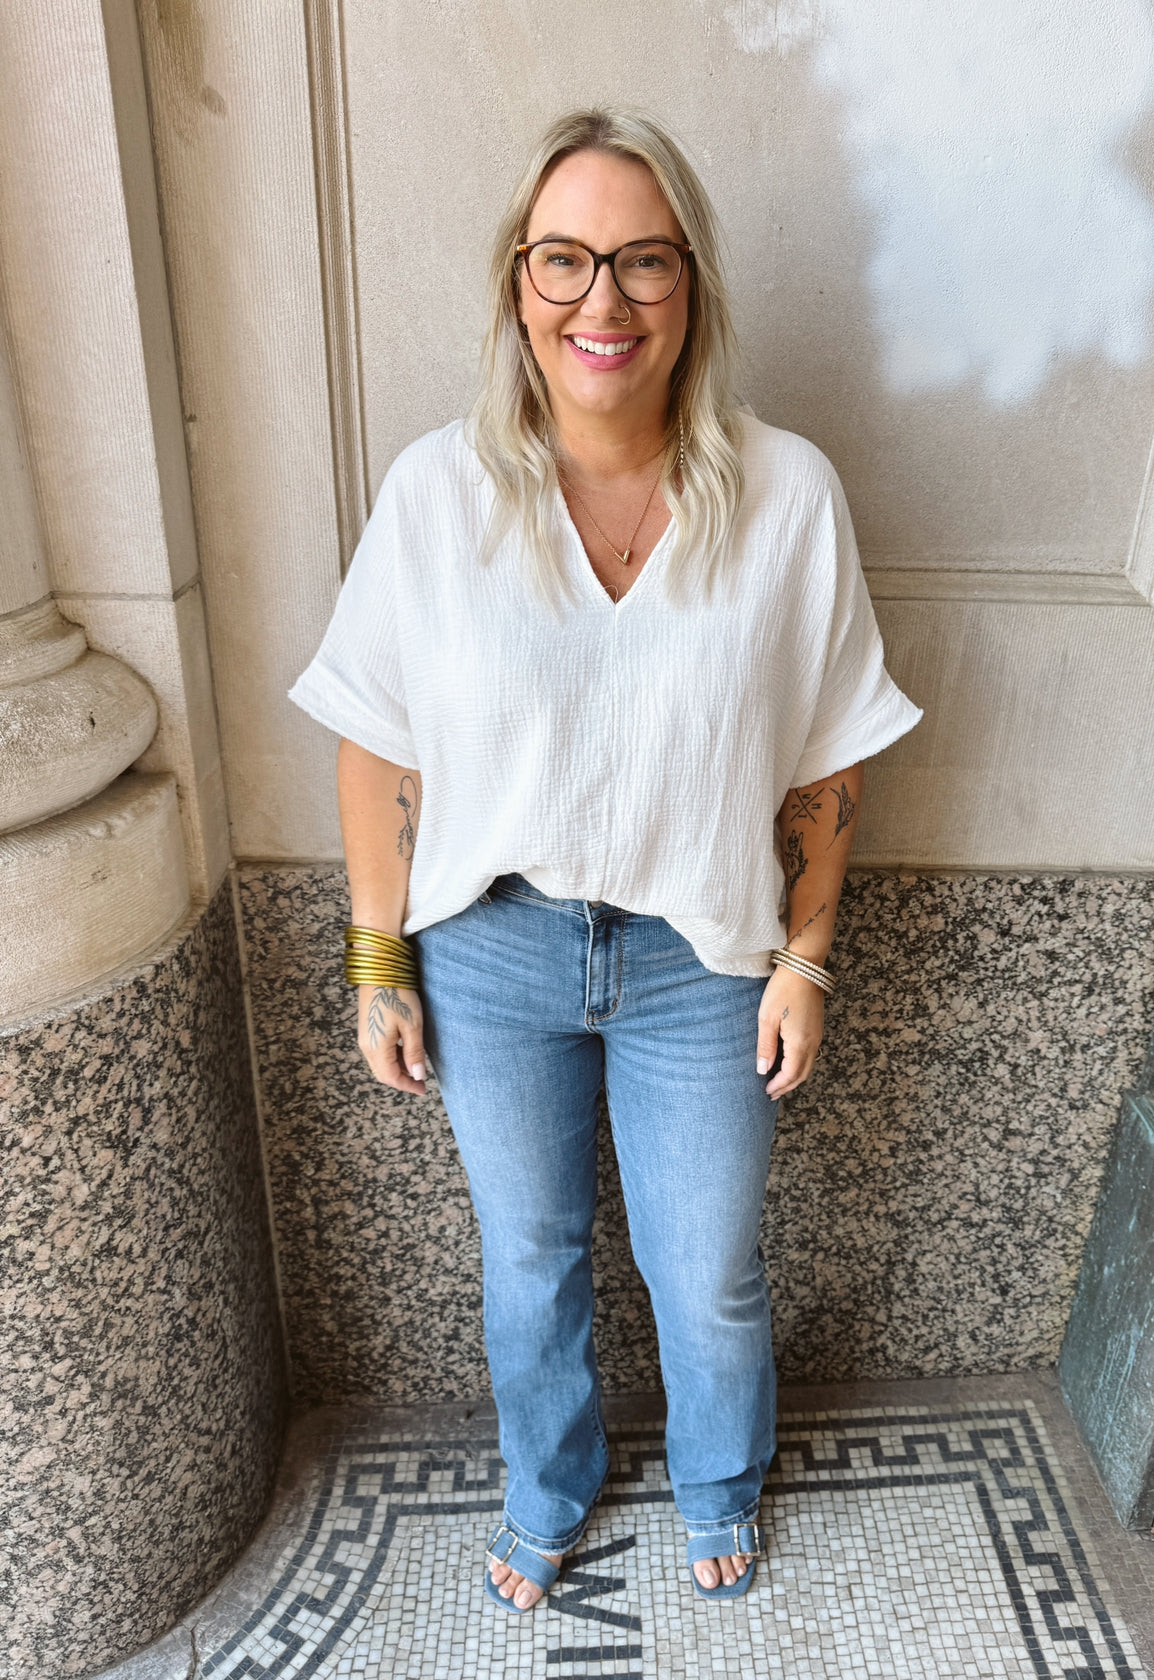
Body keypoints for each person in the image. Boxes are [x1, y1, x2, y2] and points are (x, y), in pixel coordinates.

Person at [289, 106, 921, 1610]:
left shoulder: (786, 498)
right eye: (563, 259)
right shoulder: (440, 496)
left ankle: (717, 1478)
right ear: (516, 282)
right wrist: (377, 958)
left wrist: (806, 957)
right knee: (530, 1266)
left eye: (642, 261)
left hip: (701, 957)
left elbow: (824, 754)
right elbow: (376, 736)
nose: (602, 302)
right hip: (491, 951)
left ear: (691, 284)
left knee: (704, 1270)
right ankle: (550, 1484)